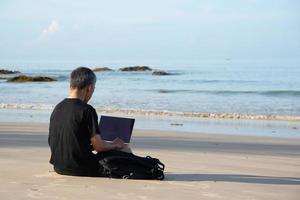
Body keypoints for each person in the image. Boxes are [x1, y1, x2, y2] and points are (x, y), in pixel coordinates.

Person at [48, 67, 131, 177]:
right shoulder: (87, 110)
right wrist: (115, 144)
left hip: (59, 166)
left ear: (71, 85)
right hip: (81, 168)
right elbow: (99, 147)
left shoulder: (58, 107)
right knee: (125, 148)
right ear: (89, 87)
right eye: (93, 89)